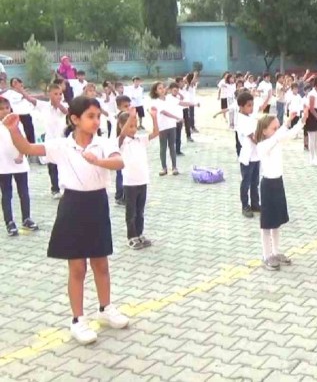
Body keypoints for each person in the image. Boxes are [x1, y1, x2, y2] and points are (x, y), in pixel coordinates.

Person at [2, 96, 129, 344]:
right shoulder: (61, 145)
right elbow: (28, 148)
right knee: (77, 267)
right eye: (90, 116)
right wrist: (13, 129)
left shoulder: (103, 143)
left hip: (97, 203)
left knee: (101, 262)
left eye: (98, 116)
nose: (96, 121)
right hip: (72, 205)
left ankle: (105, 308)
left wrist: (98, 161)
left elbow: (119, 162)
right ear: (75, 119)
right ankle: (78, 320)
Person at [254, 110, 307, 271]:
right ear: (264, 131)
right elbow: (278, 137)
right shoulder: (262, 145)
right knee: (266, 224)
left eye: (277, 128)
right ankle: (266, 255)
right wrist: (286, 123)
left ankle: (276, 252)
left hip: (278, 182)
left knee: (276, 222)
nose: (277, 131)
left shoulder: (276, 141)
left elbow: (289, 135)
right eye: (273, 128)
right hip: (268, 185)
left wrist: (301, 121)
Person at [117, 107, 159, 250]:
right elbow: (122, 135)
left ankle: (140, 234)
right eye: (130, 126)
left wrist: (154, 117)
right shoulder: (122, 142)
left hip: (142, 180)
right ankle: (131, 237)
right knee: (131, 212)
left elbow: (155, 133)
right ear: (121, 126)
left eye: (135, 126)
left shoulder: (140, 140)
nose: (133, 129)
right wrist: (130, 116)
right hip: (130, 183)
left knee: (140, 211)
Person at [22, 83, 69, 199]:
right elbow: (31, 100)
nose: (58, 96)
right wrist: (21, 91)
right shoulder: (44, 106)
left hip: (62, 141)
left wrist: (58, 104)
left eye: (60, 94)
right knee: (52, 166)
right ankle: (55, 189)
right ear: (49, 94)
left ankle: (65, 188)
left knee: (63, 165)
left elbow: (65, 112)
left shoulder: (64, 105)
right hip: (50, 141)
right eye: (55, 94)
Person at [0, 97, 39, 236]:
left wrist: (21, 155)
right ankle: (9, 222)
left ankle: (26, 218)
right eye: (1, 109)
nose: (5, 111)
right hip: (3, 164)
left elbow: (23, 140)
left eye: (7, 108)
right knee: (6, 194)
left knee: (24, 191)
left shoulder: (17, 122)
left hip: (19, 162)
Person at [235, 91, 262, 218]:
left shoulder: (249, 117)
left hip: (256, 155)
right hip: (247, 156)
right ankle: (245, 206)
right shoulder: (241, 120)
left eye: (252, 105)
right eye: (249, 105)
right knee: (246, 182)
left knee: (255, 182)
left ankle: (255, 204)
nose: (251, 108)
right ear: (241, 106)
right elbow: (253, 138)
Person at [149, 82, 184, 176]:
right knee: (163, 147)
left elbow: (181, 102)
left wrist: (194, 104)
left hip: (172, 125)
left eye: (163, 87)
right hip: (162, 127)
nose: (162, 90)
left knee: (172, 146)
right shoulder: (155, 102)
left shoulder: (169, 98)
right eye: (159, 88)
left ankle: (174, 167)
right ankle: (164, 168)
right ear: (155, 91)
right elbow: (164, 112)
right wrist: (177, 118)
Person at [4, 79, 36, 150]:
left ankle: (32, 151)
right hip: (17, 115)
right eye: (14, 82)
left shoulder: (25, 93)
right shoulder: (9, 93)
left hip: (26, 115)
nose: (16, 84)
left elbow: (32, 99)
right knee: (20, 134)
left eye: (17, 82)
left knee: (30, 134)